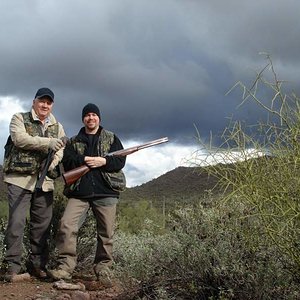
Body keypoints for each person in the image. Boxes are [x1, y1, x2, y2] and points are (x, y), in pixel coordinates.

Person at [48, 103, 126, 285]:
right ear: (83, 118)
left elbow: (120, 161)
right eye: (87, 115)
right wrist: (85, 160)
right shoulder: (74, 141)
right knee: (66, 224)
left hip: (106, 192)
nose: (91, 118)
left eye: (94, 115)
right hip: (80, 193)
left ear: (99, 117)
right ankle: (65, 268)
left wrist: (103, 161)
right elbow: (67, 162)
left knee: (106, 232)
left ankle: (103, 268)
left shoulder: (111, 137)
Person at [1, 87, 66, 281]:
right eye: (42, 101)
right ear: (34, 102)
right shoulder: (19, 118)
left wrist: (51, 163)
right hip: (20, 180)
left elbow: (60, 150)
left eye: (49, 102)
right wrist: (47, 143)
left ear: (52, 105)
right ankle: (12, 267)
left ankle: (38, 265)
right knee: (16, 222)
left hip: (44, 182)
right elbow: (19, 139)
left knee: (42, 225)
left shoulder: (58, 126)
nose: (45, 105)